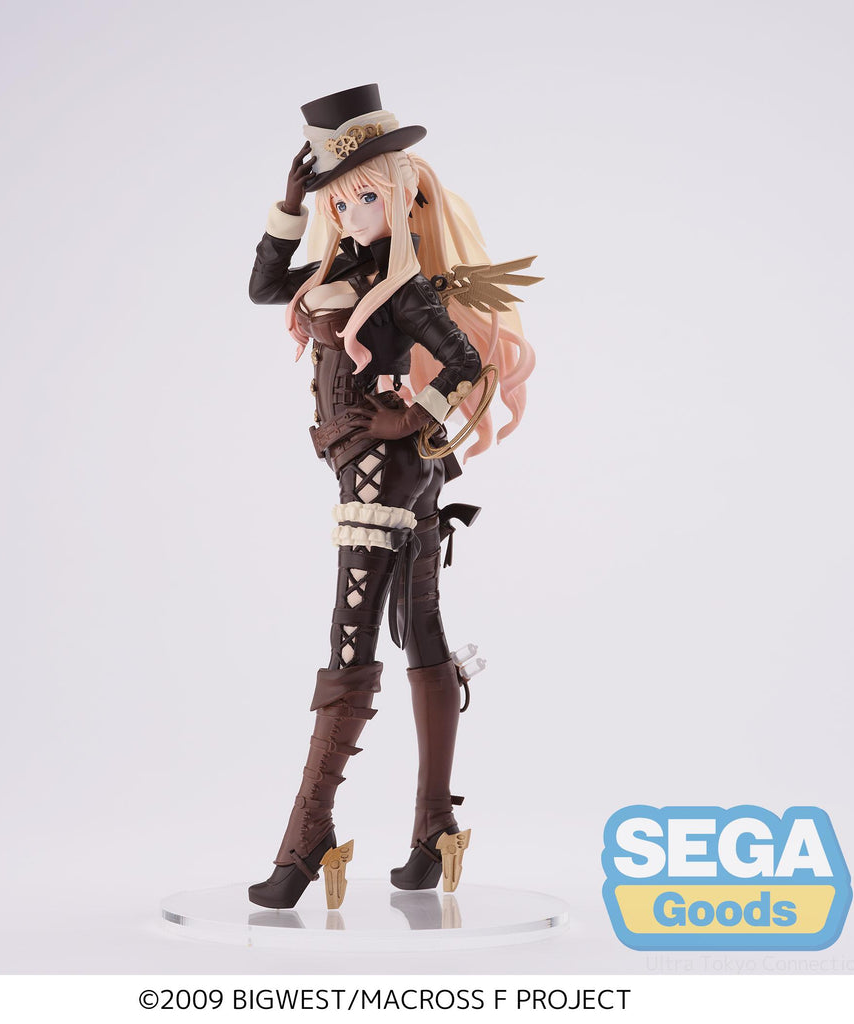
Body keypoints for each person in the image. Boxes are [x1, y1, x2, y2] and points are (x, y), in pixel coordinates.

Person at [246, 85, 536, 910]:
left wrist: (407, 417)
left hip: (383, 473)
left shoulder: (406, 289)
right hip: (377, 469)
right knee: (420, 628)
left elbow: (466, 365)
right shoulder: (339, 269)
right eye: (341, 201)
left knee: (351, 639)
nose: (352, 213)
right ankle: (435, 828)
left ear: (405, 195)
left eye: (366, 197)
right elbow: (265, 286)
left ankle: (306, 839)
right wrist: (289, 208)